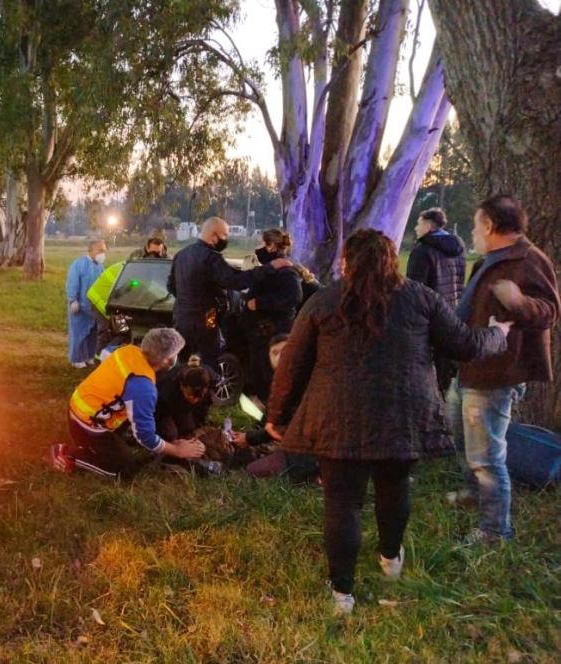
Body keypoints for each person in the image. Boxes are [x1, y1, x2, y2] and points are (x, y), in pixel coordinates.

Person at [265, 228, 511, 616]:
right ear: (390, 260)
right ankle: (390, 559)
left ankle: (342, 595)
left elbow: (292, 364)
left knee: (342, 502)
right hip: (403, 418)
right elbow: (466, 343)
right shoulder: (420, 298)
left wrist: (276, 416)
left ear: (347, 261)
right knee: (394, 488)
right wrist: (498, 334)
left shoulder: (324, 301)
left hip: (337, 420)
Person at [445, 194, 560, 545]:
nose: (473, 232)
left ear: (491, 226)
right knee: (463, 444)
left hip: (496, 373)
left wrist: (518, 301)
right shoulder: (491, 258)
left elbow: (550, 311)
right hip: (470, 366)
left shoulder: (528, 259)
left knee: (486, 456)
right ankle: (476, 495)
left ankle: (495, 531)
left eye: (476, 225)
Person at [51, 328, 206, 479]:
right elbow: (145, 437)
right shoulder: (143, 387)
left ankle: (95, 446)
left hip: (78, 407)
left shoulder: (127, 350)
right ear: (168, 360)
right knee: (124, 470)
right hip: (88, 425)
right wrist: (177, 450)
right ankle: (67, 454)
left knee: (122, 441)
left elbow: (105, 354)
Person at [167, 217, 288, 370]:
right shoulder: (211, 258)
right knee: (209, 363)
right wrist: (268, 268)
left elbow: (171, 286)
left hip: (181, 318)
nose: (226, 240)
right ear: (213, 236)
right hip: (207, 318)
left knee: (182, 364)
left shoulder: (181, 255)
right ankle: (207, 390)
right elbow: (235, 281)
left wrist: (187, 301)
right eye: (224, 235)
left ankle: (183, 391)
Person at [236, 334, 319, 482]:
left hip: (310, 453)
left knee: (252, 470)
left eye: (286, 350)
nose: (280, 357)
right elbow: (271, 420)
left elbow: (284, 427)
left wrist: (249, 438)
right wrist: (248, 435)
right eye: (275, 353)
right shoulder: (282, 382)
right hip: (298, 446)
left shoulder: (307, 381)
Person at [407, 207, 467, 393]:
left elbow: (415, 290)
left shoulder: (422, 251)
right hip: (452, 314)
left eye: (418, 224)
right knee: (445, 372)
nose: (416, 228)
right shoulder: (458, 250)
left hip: (429, 318)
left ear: (428, 225)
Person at [239, 229, 304, 401]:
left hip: (274, 333)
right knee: (260, 377)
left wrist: (259, 303)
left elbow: (293, 296)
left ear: (271, 246)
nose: (257, 248)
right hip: (262, 333)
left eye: (260, 243)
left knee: (270, 379)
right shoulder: (270, 269)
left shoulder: (285, 270)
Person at [154, 354, 219, 442]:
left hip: (183, 405)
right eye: (190, 395)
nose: (194, 400)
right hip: (163, 408)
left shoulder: (211, 379)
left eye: (198, 396)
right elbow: (156, 414)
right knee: (170, 434)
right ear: (182, 386)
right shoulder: (165, 390)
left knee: (190, 429)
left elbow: (204, 404)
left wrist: (197, 426)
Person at [66, 240, 107, 368]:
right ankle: (76, 358)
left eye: (104, 251)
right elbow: (72, 282)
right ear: (91, 250)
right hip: (80, 306)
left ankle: (89, 356)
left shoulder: (100, 266)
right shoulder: (79, 264)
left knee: (93, 334)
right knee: (79, 333)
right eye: (100, 250)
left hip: (94, 307)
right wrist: (73, 300)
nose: (103, 254)